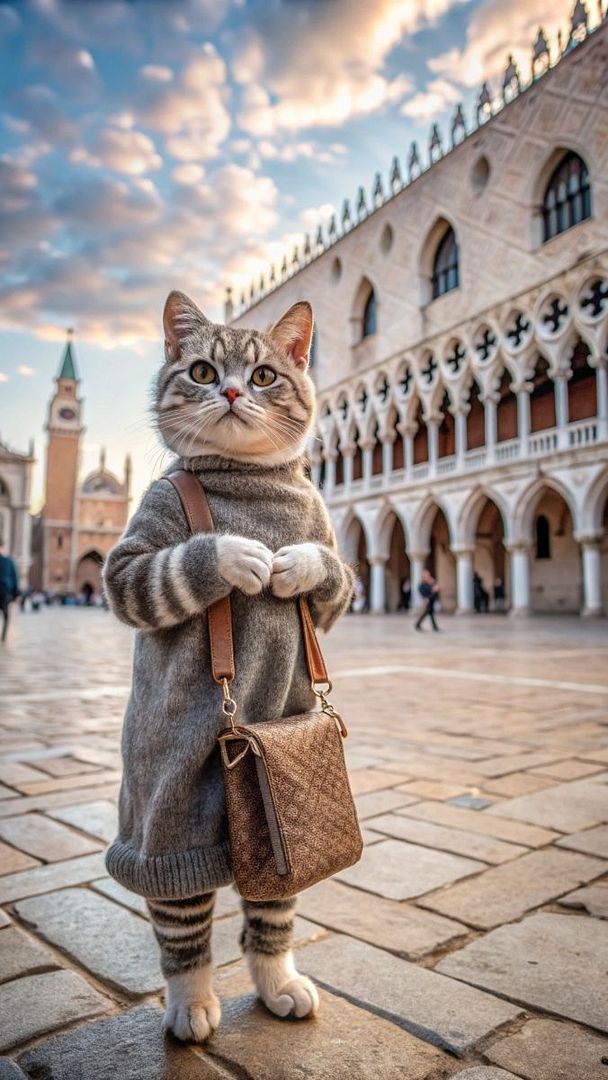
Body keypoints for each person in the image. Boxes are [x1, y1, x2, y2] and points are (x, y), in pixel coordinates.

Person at [0, 547, 19, 643]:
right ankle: (3, 638)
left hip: (4, 591)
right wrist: (15, 595)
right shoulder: (9, 561)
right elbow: (15, 578)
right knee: (6, 616)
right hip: (5, 592)